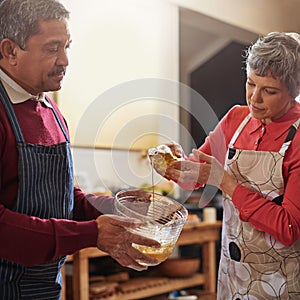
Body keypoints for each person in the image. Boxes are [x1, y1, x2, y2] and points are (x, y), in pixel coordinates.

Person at [0, 0, 160, 298]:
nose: (65, 60)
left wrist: (115, 207)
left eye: (67, 46)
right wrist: (92, 233)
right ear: (10, 51)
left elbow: (63, 198)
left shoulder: (52, 113)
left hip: (46, 287)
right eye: (52, 48)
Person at [157, 32, 300, 299]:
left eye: (269, 91)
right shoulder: (236, 118)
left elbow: (288, 228)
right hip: (231, 277)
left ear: (294, 91)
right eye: (250, 84)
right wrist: (172, 163)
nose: (254, 98)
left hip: (281, 283)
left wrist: (226, 183)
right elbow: (194, 177)